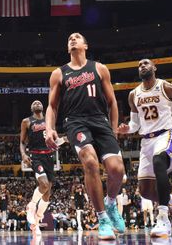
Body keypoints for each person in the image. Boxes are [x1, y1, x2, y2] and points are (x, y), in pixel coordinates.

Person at [45, 32, 126, 240]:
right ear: (67, 48)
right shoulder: (59, 73)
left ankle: (110, 203)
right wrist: (49, 128)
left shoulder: (99, 68)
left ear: (85, 46)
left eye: (77, 37)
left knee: (117, 170)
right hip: (75, 121)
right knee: (90, 162)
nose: (72, 38)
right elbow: (52, 107)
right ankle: (102, 219)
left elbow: (112, 102)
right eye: (69, 38)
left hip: (100, 120)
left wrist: (114, 130)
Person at [117, 58, 172, 238]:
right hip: (146, 141)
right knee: (145, 190)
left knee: (159, 161)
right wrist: (126, 129)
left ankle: (163, 219)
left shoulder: (167, 87)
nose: (142, 66)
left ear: (154, 68)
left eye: (145, 63)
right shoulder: (133, 94)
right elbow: (135, 125)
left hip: (166, 134)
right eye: (139, 65)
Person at [20, 100, 63, 234]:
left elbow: (54, 139)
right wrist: (23, 154)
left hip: (48, 157)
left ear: (43, 107)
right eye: (34, 103)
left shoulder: (49, 120)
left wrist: (64, 140)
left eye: (39, 102)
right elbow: (22, 142)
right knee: (43, 185)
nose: (37, 103)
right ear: (32, 108)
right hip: (36, 156)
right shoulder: (26, 121)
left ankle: (37, 221)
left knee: (47, 193)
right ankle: (31, 206)